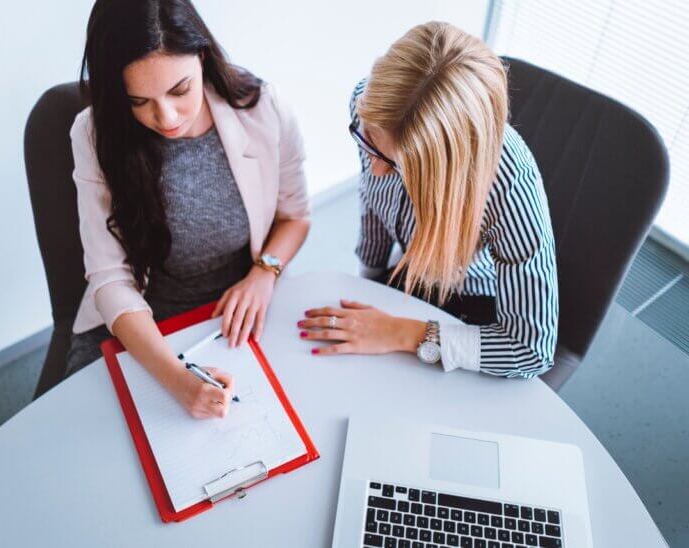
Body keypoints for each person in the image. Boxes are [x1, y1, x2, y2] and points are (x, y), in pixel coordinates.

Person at [67, 0, 310, 418]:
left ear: (202, 55)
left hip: (237, 305)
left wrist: (264, 273)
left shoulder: (263, 107)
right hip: (140, 317)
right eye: (139, 101)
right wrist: (175, 378)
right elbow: (109, 278)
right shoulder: (93, 134)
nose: (166, 117)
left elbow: (295, 216)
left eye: (179, 90)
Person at [298, 22, 558, 378]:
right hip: (405, 274)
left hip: (467, 299)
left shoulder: (510, 184)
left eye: (395, 163)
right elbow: (373, 201)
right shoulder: (372, 110)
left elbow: (530, 352)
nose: (374, 170)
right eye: (368, 143)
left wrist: (400, 332)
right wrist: (367, 280)